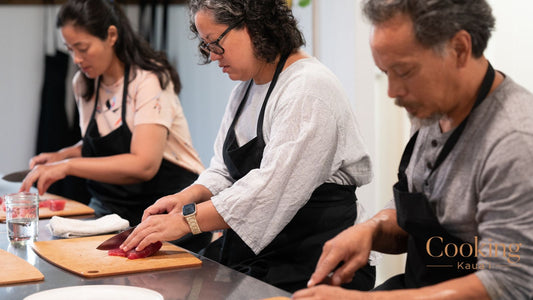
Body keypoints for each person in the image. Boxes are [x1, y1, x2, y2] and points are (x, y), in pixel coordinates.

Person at [120, 0, 375, 293]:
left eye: (215, 43)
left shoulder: (309, 89)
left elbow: (272, 187)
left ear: (254, 26)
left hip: (316, 262)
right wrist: (187, 197)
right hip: (265, 254)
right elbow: (223, 170)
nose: (213, 57)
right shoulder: (246, 88)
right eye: (206, 46)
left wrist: (189, 220)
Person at [293, 0, 533, 299]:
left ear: (459, 48)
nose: (392, 91)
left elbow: (509, 284)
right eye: (385, 72)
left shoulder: (515, 140)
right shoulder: (432, 110)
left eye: (404, 72)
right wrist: (371, 230)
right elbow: (423, 209)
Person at [19, 0, 205, 229]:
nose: (76, 59)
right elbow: (102, 145)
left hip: (167, 212)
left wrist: (68, 166)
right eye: (71, 50)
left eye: (83, 48)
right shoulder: (84, 83)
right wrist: (63, 155)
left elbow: (144, 165)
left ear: (111, 36)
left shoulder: (148, 80)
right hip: (111, 209)